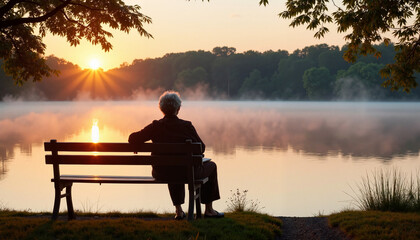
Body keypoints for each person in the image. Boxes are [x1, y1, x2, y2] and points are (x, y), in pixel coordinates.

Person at [128, 91, 224, 220]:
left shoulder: (155, 126)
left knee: (171, 166)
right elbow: (201, 148)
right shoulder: (186, 126)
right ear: (178, 109)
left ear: (161, 109)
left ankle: (179, 211)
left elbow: (132, 138)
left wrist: (136, 145)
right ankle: (209, 210)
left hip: (161, 172)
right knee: (211, 166)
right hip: (186, 172)